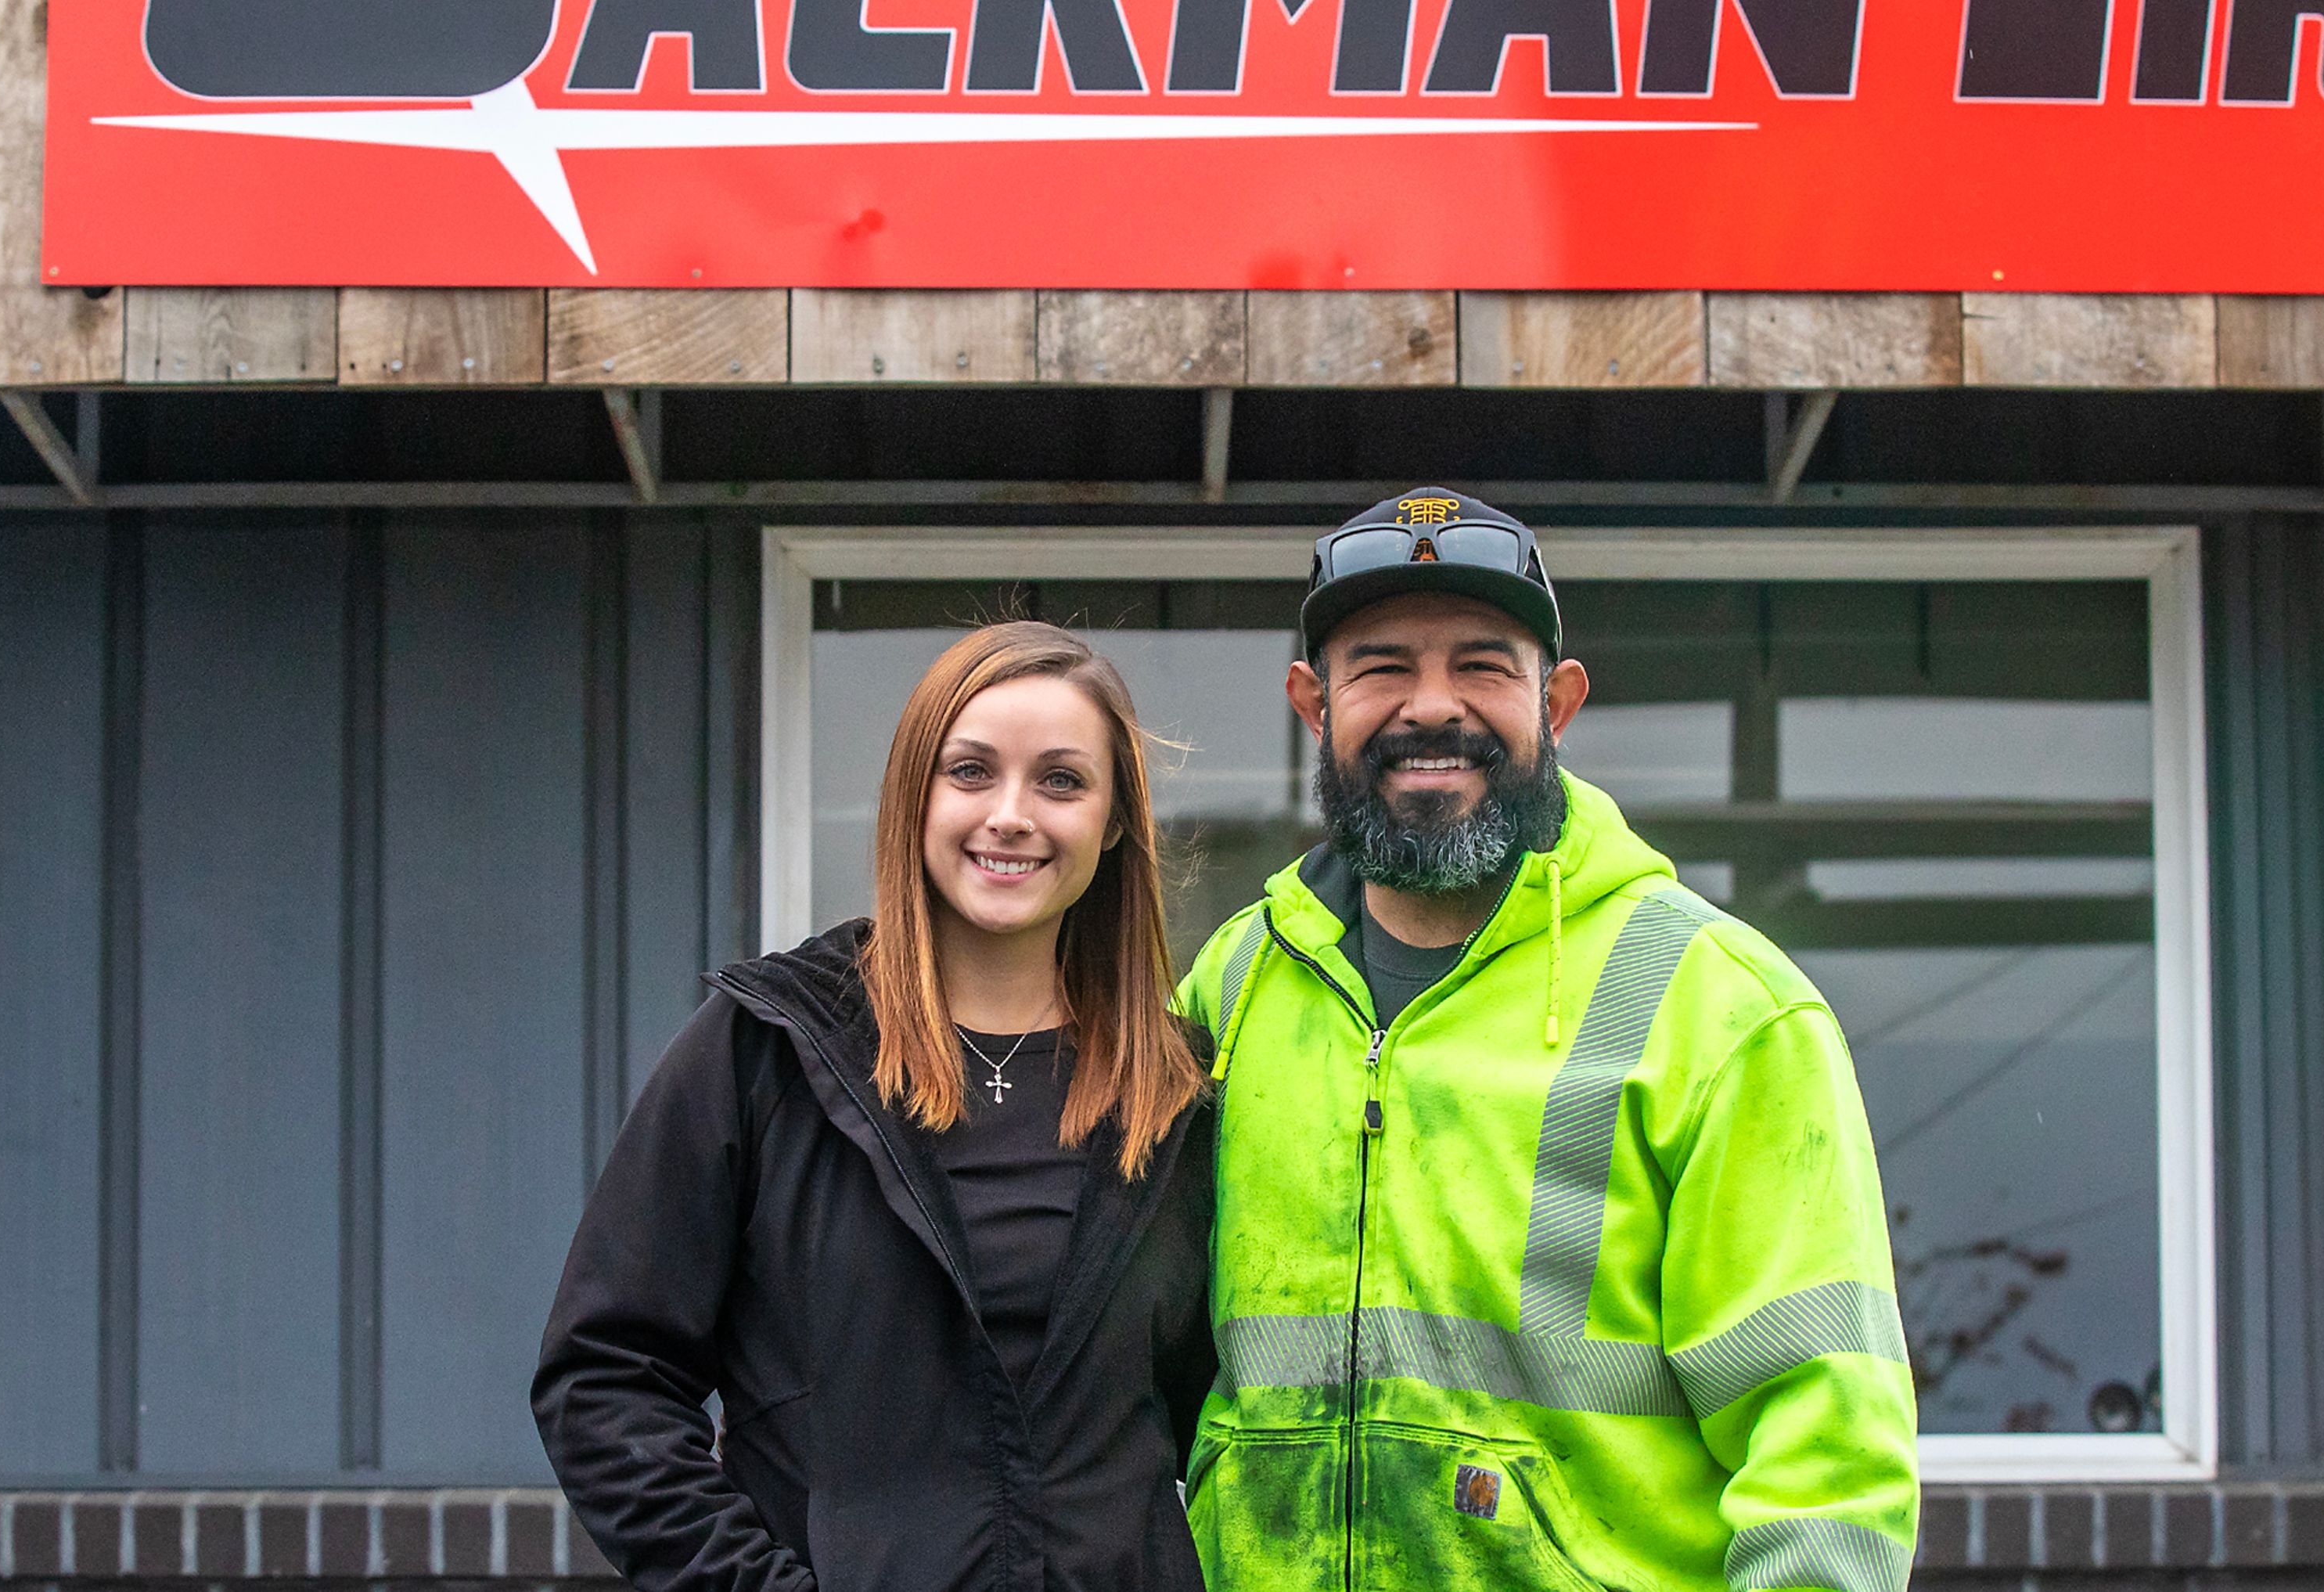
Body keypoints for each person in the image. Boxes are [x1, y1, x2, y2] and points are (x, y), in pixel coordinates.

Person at [1176, 490, 1919, 1592]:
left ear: (1557, 702)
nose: (1432, 708)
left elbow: (1829, 1459)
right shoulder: (1233, 984)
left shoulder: (1724, 1006)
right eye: (1381, 666)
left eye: (1483, 665)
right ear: (1310, 702)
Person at [538, 621, 1215, 1592]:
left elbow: (1216, 1423)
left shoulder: (1173, 1094)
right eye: (971, 771)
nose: (1012, 814)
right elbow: (604, 1379)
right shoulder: (770, 1051)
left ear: (1112, 824)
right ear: (915, 796)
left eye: (1061, 780)